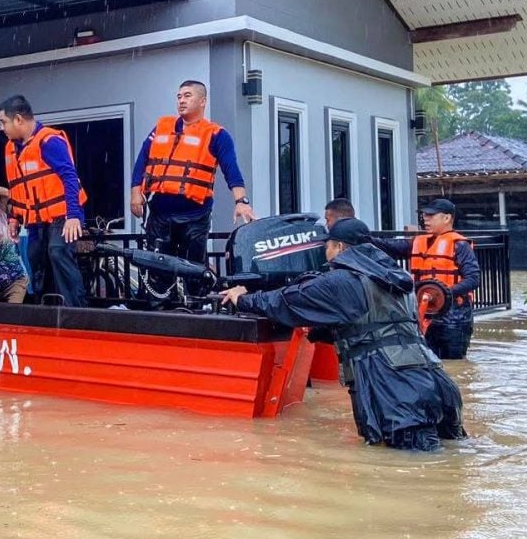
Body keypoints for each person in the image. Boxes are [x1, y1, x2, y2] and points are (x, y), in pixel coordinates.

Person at [219, 218, 466, 451]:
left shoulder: (342, 280)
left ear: (338, 247)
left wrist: (244, 298)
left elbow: (286, 302)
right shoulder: (395, 279)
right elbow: (375, 328)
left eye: (327, 245)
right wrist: (323, 333)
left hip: (397, 395)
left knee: (408, 476)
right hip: (437, 385)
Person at [130, 80, 254, 294]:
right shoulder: (162, 127)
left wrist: (241, 201)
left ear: (202, 101)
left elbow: (231, 170)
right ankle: (157, 315)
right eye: (179, 96)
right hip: (160, 214)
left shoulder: (216, 135)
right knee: (158, 271)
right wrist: (135, 194)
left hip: (195, 216)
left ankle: (196, 313)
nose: (181, 100)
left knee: (194, 272)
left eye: (187, 95)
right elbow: (142, 160)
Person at [0, 95, 88, 308]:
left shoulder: (49, 141)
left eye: (3, 122)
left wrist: (73, 215)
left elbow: (69, 176)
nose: (2, 128)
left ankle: (75, 311)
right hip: (35, 218)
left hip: (62, 214)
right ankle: (47, 309)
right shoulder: (11, 148)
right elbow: (16, 185)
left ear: (18, 119)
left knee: (58, 252)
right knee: (36, 257)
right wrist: (14, 217)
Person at [370, 198, 480, 359]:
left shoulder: (459, 245)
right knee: (426, 359)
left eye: (431, 215)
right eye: (424, 215)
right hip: (425, 313)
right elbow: (390, 247)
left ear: (447, 218)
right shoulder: (418, 242)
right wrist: (365, 238)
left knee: (453, 363)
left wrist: (445, 293)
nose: (425, 219)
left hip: (454, 317)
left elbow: (473, 279)